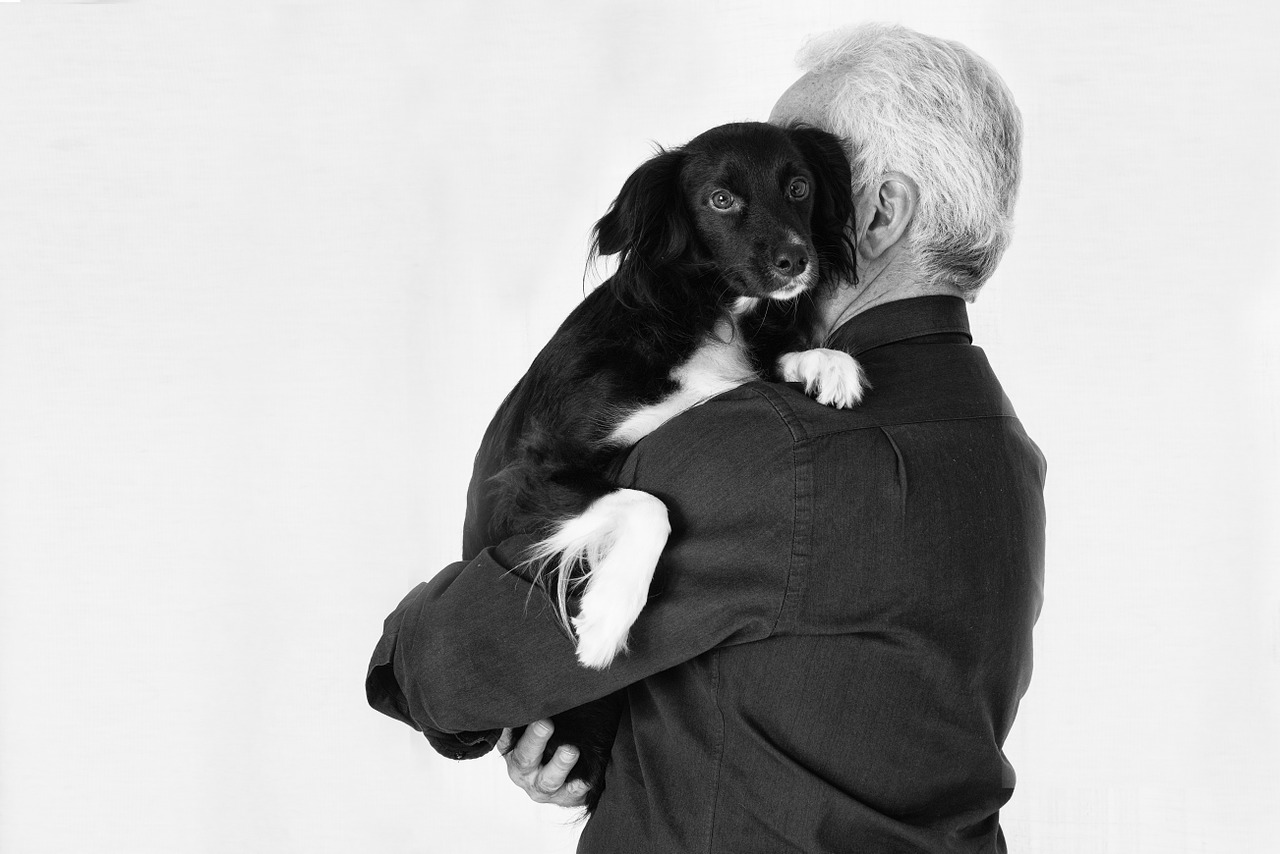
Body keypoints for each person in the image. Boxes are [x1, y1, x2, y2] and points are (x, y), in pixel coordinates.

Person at [367, 22, 1045, 853]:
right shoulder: (1003, 447)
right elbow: (830, 707)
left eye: (803, 180)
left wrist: (447, 671)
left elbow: (439, 672)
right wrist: (605, 741)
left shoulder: (765, 450)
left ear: (876, 214)